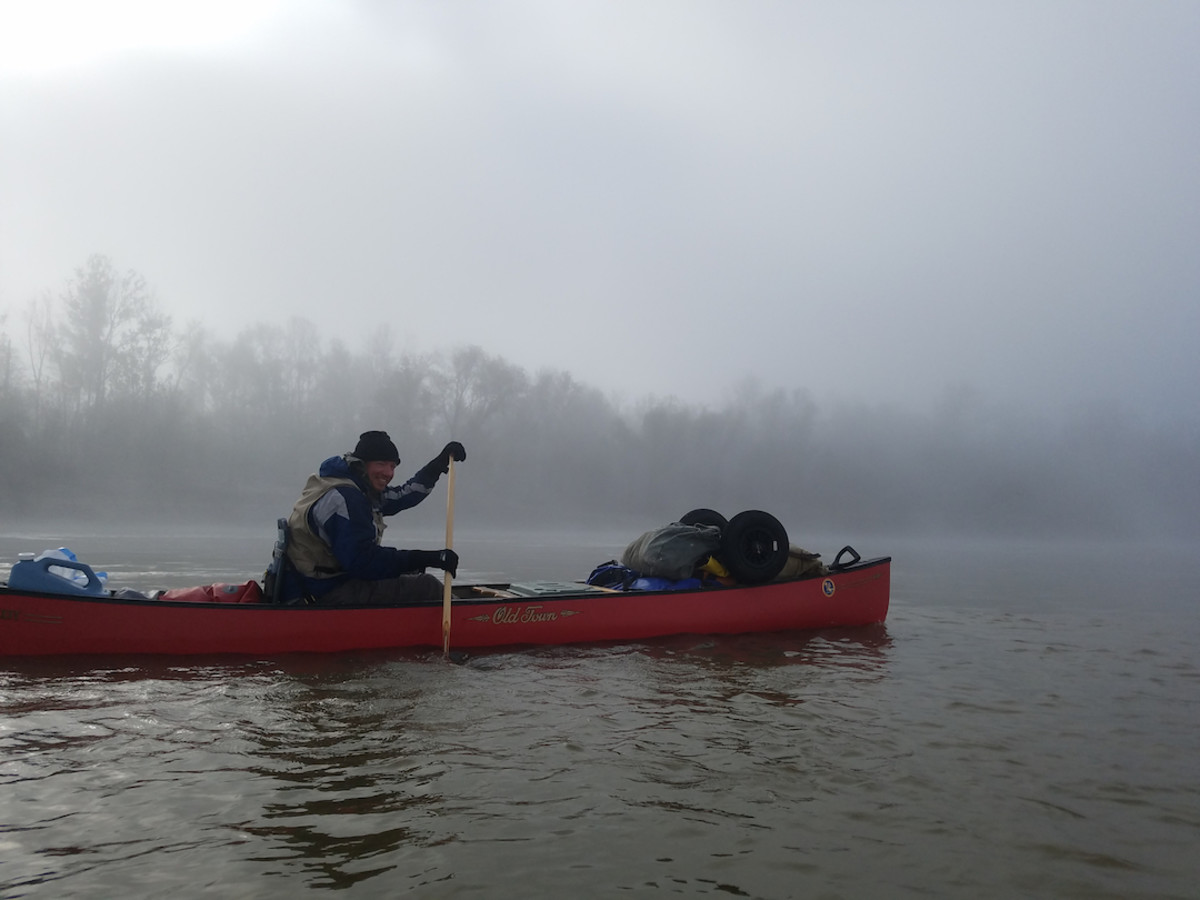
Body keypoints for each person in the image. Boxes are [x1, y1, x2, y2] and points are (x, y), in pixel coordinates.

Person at [280, 430, 466, 605]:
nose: (388, 472)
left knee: (411, 571)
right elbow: (363, 562)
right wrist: (425, 558)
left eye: (392, 466)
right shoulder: (346, 498)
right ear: (362, 463)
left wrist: (437, 465)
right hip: (319, 593)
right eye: (381, 464)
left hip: (319, 584)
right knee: (427, 586)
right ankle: (470, 619)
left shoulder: (355, 488)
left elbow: (403, 495)